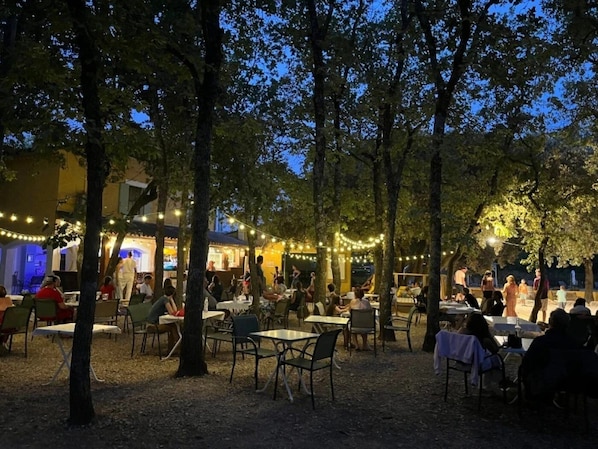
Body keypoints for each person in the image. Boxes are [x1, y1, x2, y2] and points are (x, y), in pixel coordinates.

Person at [520, 309, 576, 403]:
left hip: (543, 379)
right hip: (566, 380)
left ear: (550, 322)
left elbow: (527, 362)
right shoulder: (572, 343)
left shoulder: (541, 341)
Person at [146, 285, 180, 353]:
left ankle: (174, 347)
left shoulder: (163, 298)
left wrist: (171, 299)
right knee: (173, 326)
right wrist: (172, 300)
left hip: (153, 323)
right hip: (152, 325)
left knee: (173, 325)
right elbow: (172, 312)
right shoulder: (164, 300)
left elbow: (175, 311)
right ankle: (176, 346)